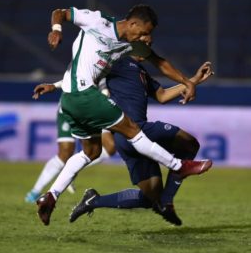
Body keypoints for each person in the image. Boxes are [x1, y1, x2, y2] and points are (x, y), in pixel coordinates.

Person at [35, 4, 212, 226]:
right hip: (85, 97)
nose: (147, 38)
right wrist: (57, 29)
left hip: (72, 100)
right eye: (145, 32)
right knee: (137, 131)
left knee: (90, 153)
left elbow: (160, 65)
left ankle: (51, 195)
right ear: (133, 23)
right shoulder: (99, 23)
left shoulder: (128, 51)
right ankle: (179, 166)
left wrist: (189, 81)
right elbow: (59, 12)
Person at [67, 49, 213, 226]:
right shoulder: (117, 62)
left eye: (150, 40)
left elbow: (162, 95)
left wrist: (194, 80)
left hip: (131, 139)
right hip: (136, 129)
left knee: (150, 198)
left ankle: (94, 201)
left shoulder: (142, 72)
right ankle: (166, 202)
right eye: (144, 38)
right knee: (190, 145)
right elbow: (87, 67)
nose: (148, 43)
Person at [24, 99, 116, 203]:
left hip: (96, 110)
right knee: (65, 153)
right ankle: (35, 191)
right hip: (72, 106)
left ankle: (71, 171)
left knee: (110, 147)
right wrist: (54, 85)